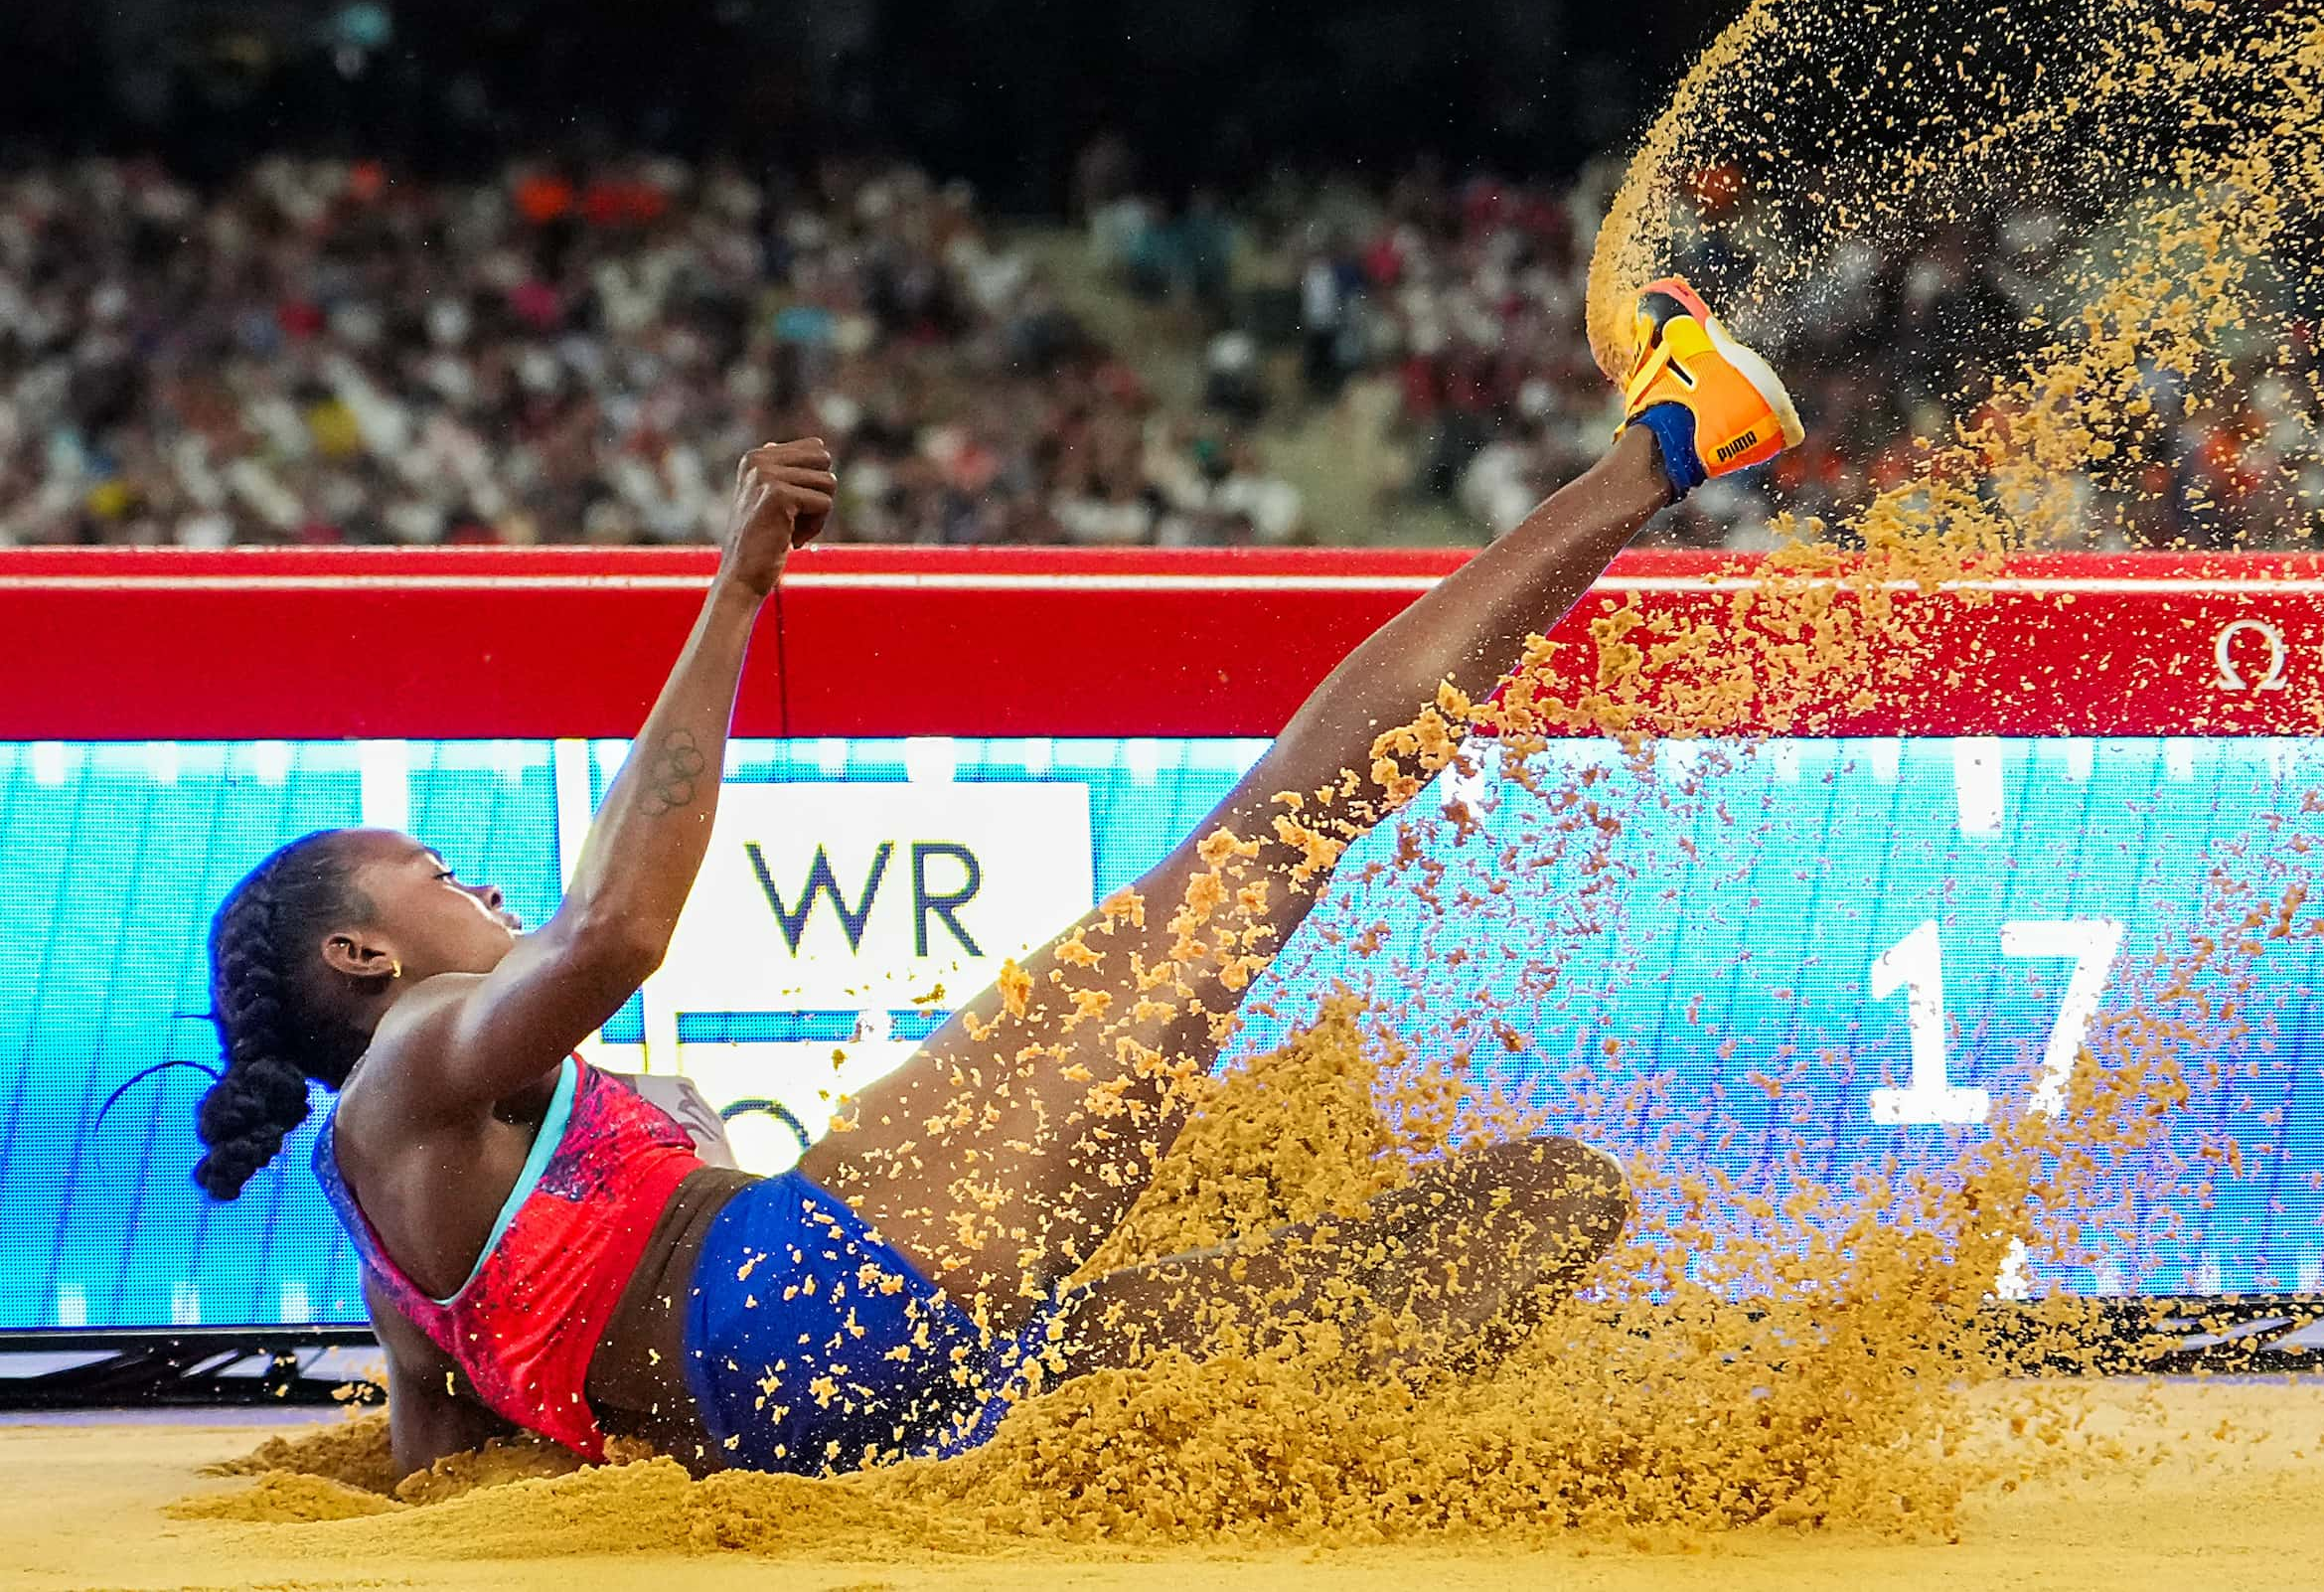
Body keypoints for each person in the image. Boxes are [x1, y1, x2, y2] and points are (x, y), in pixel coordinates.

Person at [187, 277, 1804, 1479]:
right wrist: (738, 590)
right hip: (802, 1288)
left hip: (834, 1415)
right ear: (359, 954)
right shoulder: (420, 1050)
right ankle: (1670, 441)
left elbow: (445, 1478)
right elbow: (617, 927)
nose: (474, 885)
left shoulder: (386, 1224)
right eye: (433, 874)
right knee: (1269, 837)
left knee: (1491, 1230)